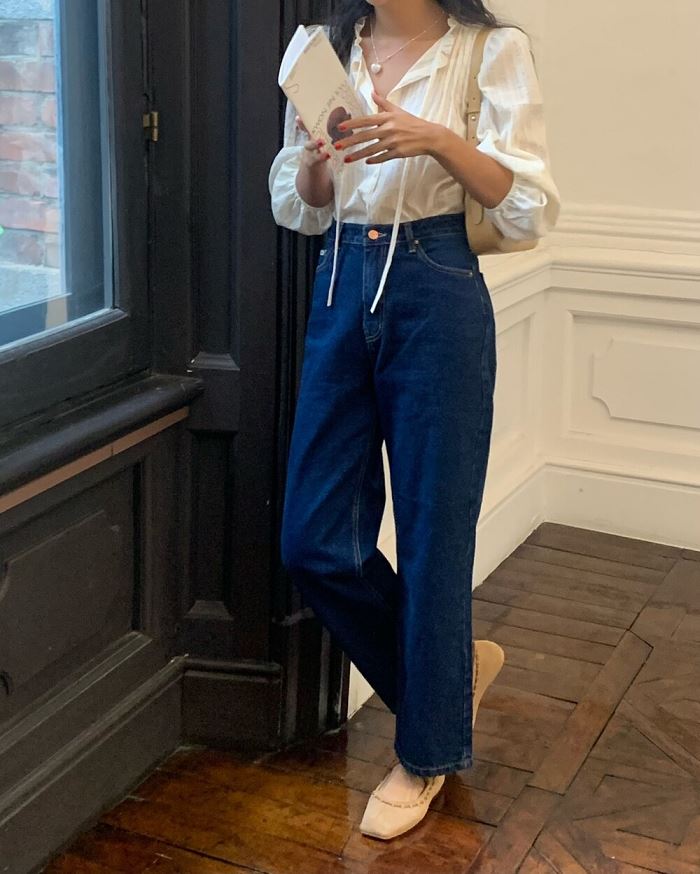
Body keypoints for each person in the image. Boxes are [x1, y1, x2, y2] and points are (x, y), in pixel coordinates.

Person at [269, 0, 560, 840]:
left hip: (436, 280)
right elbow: (303, 201)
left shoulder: (488, 51)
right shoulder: (323, 48)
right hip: (340, 280)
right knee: (313, 539)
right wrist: (318, 159)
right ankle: (446, 683)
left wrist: (434, 139)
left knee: (435, 533)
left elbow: (527, 205)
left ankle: (426, 753)